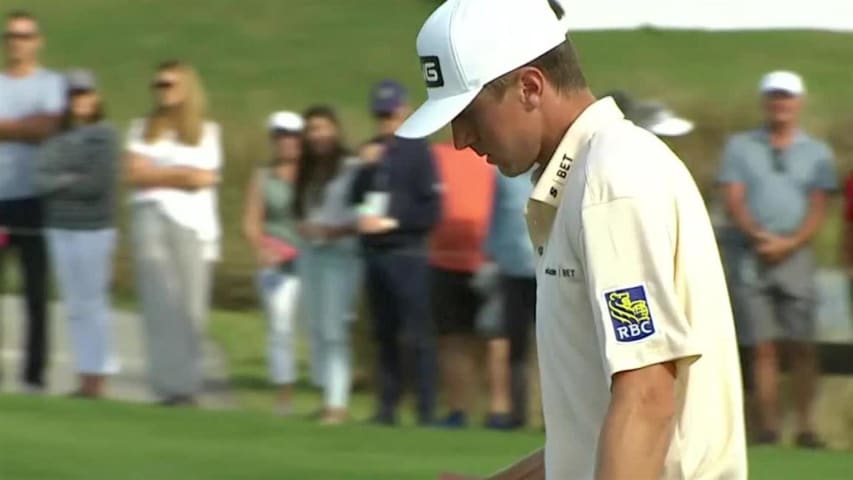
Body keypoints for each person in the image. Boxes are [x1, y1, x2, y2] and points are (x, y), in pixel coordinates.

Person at [397, 1, 746, 479]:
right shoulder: (592, 175)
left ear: (530, 87)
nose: (459, 138)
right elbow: (591, 437)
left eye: (470, 112)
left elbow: (647, 396)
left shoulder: (608, 182)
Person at [718, 71, 836, 448]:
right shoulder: (741, 147)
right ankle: (767, 428)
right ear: (765, 102)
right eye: (773, 97)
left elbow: (819, 206)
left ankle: (805, 426)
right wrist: (758, 236)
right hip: (751, 255)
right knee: (762, 345)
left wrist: (790, 242)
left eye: (786, 97)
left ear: (798, 102)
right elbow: (733, 197)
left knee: (802, 345)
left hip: (796, 256)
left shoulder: (816, 152)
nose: (780, 104)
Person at [125, 60, 223, 406]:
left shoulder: (206, 132)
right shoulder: (141, 129)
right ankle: (165, 385)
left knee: (189, 307)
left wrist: (159, 173)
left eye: (169, 84)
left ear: (186, 89)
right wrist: (178, 175)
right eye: (158, 85)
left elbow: (204, 178)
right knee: (157, 305)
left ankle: (188, 385)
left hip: (190, 223)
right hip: (149, 218)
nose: (162, 91)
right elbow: (134, 173)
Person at [351, 79, 441, 426]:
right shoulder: (370, 152)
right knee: (383, 333)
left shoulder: (418, 152)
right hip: (375, 253)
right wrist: (365, 168)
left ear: (404, 111)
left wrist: (392, 222)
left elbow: (432, 210)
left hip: (408, 252)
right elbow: (355, 199)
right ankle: (386, 406)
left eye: (391, 114)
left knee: (417, 334)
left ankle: (426, 409)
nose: (386, 121)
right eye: (380, 115)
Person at [34, 69, 119, 399]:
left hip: (94, 229)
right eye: (73, 95)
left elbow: (96, 184)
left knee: (93, 302)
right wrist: (71, 179)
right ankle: (84, 375)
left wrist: (63, 180)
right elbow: (41, 181)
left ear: (95, 96)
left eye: (84, 94)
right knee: (73, 305)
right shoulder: (54, 137)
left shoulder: (105, 135)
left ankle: (99, 375)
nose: (79, 101)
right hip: (60, 226)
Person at [0, 10, 64, 392]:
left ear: (37, 41)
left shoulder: (51, 84)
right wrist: (25, 128)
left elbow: (49, 128)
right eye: (11, 36)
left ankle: (34, 375)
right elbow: (34, 128)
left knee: (36, 293)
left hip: (35, 199)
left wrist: (7, 129)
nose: (17, 42)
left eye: (24, 36)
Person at [293, 105, 360, 425]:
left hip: (340, 256)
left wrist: (334, 231)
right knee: (317, 327)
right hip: (313, 254)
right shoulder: (307, 171)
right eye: (311, 130)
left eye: (322, 128)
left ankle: (338, 402)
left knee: (335, 329)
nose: (317, 135)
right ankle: (326, 396)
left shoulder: (350, 166)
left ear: (335, 129)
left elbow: (363, 215)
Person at [427, 143, 497, 429]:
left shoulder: (497, 154)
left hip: (490, 261)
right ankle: (458, 409)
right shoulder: (436, 155)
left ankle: (497, 411)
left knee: (495, 341)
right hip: (443, 261)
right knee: (452, 338)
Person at [243, 111, 305, 415]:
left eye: (292, 137)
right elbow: (251, 223)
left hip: (311, 262)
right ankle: (284, 398)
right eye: (281, 137)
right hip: (277, 264)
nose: (287, 143)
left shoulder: (314, 175)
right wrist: (263, 249)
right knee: (280, 329)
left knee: (324, 330)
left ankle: (332, 397)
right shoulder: (263, 176)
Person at [484, 167, 538, 430]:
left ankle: (554, 418)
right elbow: (495, 217)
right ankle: (517, 414)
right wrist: (491, 255)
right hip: (513, 271)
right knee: (514, 346)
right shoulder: (504, 175)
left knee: (555, 346)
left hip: (552, 272)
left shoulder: (565, 167)